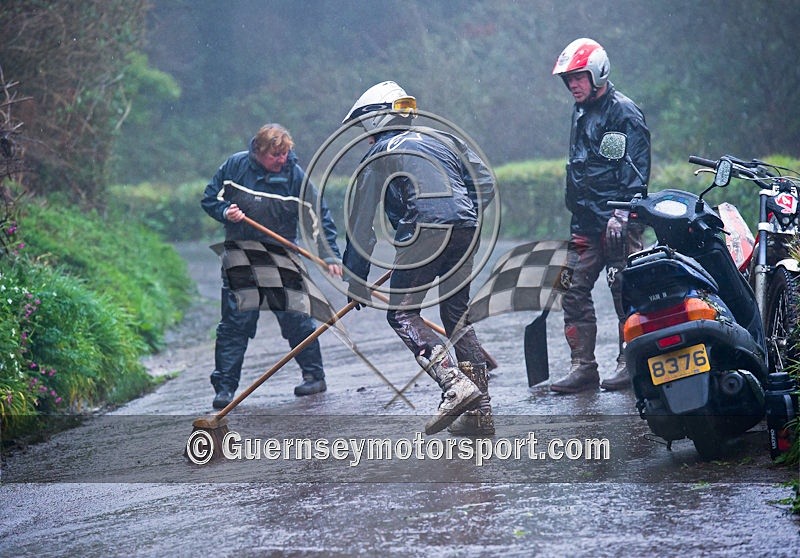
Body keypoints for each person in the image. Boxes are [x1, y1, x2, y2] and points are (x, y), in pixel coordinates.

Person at [341, 81, 496, 435]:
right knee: (456, 315)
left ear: (375, 122)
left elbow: (361, 221)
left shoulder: (378, 152)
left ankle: (454, 384)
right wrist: (458, 216)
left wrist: (356, 279)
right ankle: (480, 412)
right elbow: (484, 184)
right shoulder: (445, 138)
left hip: (424, 229)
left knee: (402, 313)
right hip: (466, 225)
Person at [201, 123, 343, 409]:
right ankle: (225, 388)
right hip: (241, 255)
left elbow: (317, 215)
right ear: (259, 151)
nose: (281, 160)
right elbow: (209, 198)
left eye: (285, 154)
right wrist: (225, 212)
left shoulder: (295, 176)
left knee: (298, 319)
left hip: (282, 254)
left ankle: (314, 376)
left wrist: (329, 255)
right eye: (275, 155)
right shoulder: (235, 166)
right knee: (235, 325)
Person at [550, 38, 651, 393]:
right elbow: (581, 168)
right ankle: (583, 366)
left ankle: (631, 362)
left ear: (598, 73)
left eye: (579, 77)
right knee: (569, 287)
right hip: (585, 223)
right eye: (569, 80)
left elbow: (636, 169)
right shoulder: (579, 112)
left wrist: (622, 213)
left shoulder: (624, 112)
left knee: (626, 289)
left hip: (618, 224)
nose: (573, 85)